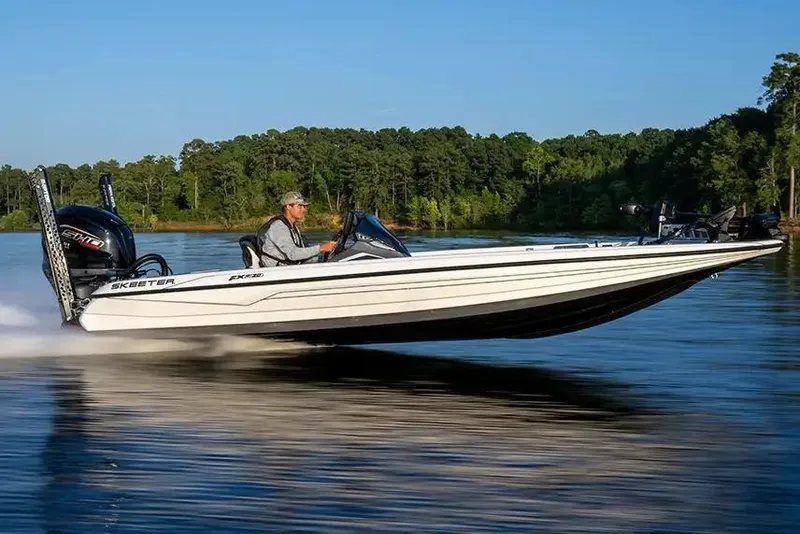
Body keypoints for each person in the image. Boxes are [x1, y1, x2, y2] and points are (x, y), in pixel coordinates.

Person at [257, 191, 337, 266]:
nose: (304, 210)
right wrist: (321, 248)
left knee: (327, 260)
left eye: (304, 206)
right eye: (299, 206)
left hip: (290, 266)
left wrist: (322, 256)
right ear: (288, 206)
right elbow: (293, 254)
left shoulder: (292, 226)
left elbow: (299, 253)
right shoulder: (279, 227)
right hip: (278, 271)